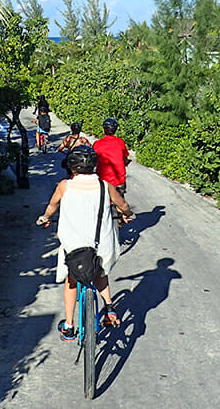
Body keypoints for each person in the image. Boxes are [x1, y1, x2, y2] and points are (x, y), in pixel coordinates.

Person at [36, 146, 133, 341]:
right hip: (102, 247)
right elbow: (123, 206)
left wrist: (45, 218)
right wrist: (128, 215)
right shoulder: (106, 186)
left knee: (71, 279)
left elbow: (52, 206)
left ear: (72, 167)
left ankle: (70, 325)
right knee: (100, 271)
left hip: (74, 249)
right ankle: (109, 308)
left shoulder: (65, 186)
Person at [94, 118, 131, 215]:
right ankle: (120, 217)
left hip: (103, 181)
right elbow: (125, 158)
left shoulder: (97, 144)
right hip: (119, 180)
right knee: (119, 199)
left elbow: (94, 160)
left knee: (102, 201)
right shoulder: (120, 142)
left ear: (103, 130)